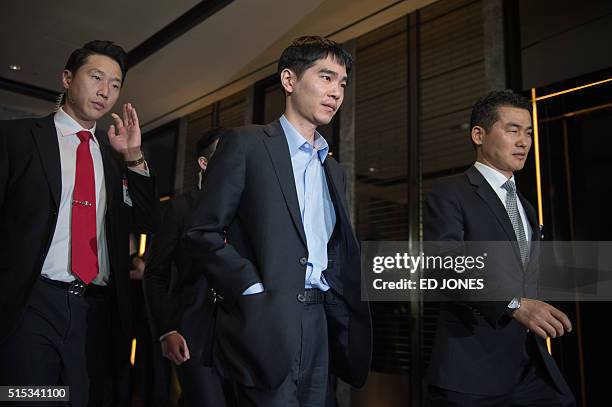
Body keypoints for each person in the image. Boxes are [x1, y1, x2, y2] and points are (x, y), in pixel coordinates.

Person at [185, 36, 372, 406]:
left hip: (320, 319)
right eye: (326, 77)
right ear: (289, 80)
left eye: (343, 83)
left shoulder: (333, 169)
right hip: (265, 318)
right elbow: (201, 231)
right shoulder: (246, 144)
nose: (336, 92)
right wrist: (251, 289)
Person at [0, 40, 160, 406]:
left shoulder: (115, 156)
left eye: (115, 84)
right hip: (32, 304)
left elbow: (150, 222)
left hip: (96, 312)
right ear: (68, 78)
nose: (105, 91)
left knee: (82, 398)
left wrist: (134, 157)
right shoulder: (17, 139)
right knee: (30, 398)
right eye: (96, 77)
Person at [424, 90, 576, 406]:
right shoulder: (449, 192)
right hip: (472, 368)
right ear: (479, 134)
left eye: (528, 133)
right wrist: (514, 304)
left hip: (529, 364)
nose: (524, 141)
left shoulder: (526, 206)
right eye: (512, 130)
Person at [143, 128, 228, 407]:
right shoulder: (180, 209)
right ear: (204, 163)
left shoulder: (240, 208)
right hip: (191, 330)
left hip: (235, 331)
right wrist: (167, 329)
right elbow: (155, 272)